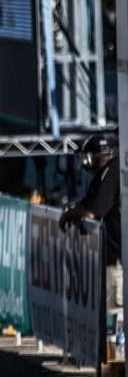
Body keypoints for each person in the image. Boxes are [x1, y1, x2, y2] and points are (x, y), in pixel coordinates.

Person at [59, 135, 123, 319]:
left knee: (114, 312)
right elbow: (89, 205)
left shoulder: (109, 174)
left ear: (90, 157)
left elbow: (91, 211)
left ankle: (115, 347)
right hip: (114, 254)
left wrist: (68, 215)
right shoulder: (109, 172)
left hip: (115, 257)